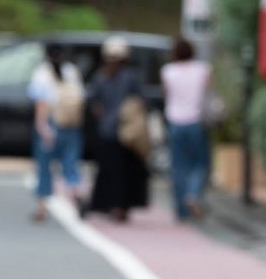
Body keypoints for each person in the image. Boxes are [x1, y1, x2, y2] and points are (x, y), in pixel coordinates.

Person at [83, 36, 149, 222]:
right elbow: (142, 100)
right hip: (125, 131)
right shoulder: (130, 77)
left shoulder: (101, 76)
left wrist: (102, 116)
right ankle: (120, 206)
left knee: (109, 171)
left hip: (109, 130)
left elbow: (93, 102)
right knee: (125, 172)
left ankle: (108, 204)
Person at [27, 43, 84, 221]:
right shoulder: (72, 71)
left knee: (44, 166)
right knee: (70, 162)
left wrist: (41, 126)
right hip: (70, 123)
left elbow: (41, 104)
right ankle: (75, 192)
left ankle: (42, 207)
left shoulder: (41, 73)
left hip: (50, 122)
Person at [161, 35, 211, 222]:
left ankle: (181, 210)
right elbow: (208, 95)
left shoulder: (168, 71)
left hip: (175, 121)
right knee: (199, 163)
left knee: (178, 166)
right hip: (196, 121)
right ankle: (193, 193)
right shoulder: (202, 69)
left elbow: (167, 95)